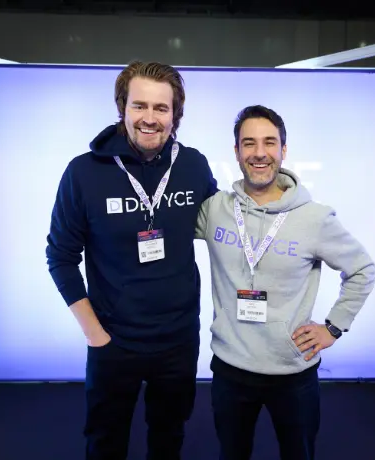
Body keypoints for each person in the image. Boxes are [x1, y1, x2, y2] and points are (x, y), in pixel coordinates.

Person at [46, 61, 218, 460]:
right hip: (113, 339)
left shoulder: (193, 166)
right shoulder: (84, 172)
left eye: (162, 108)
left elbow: (225, 226)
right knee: (105, 443)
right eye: (140, 106)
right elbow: (60, 255)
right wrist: (94, 335)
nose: (150, 118)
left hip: (177, 338)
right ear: (122, 108)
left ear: (176, 115)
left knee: (168, 437)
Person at [195, 105, 375, 460]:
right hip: (231, 368)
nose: (259, 153)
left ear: (283, 150)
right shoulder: (215, 209)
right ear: (236, 152)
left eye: (269, 143)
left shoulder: (314, 217)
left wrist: (333, 328)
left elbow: (362, 270)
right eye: (249, 144)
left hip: (292, 372)